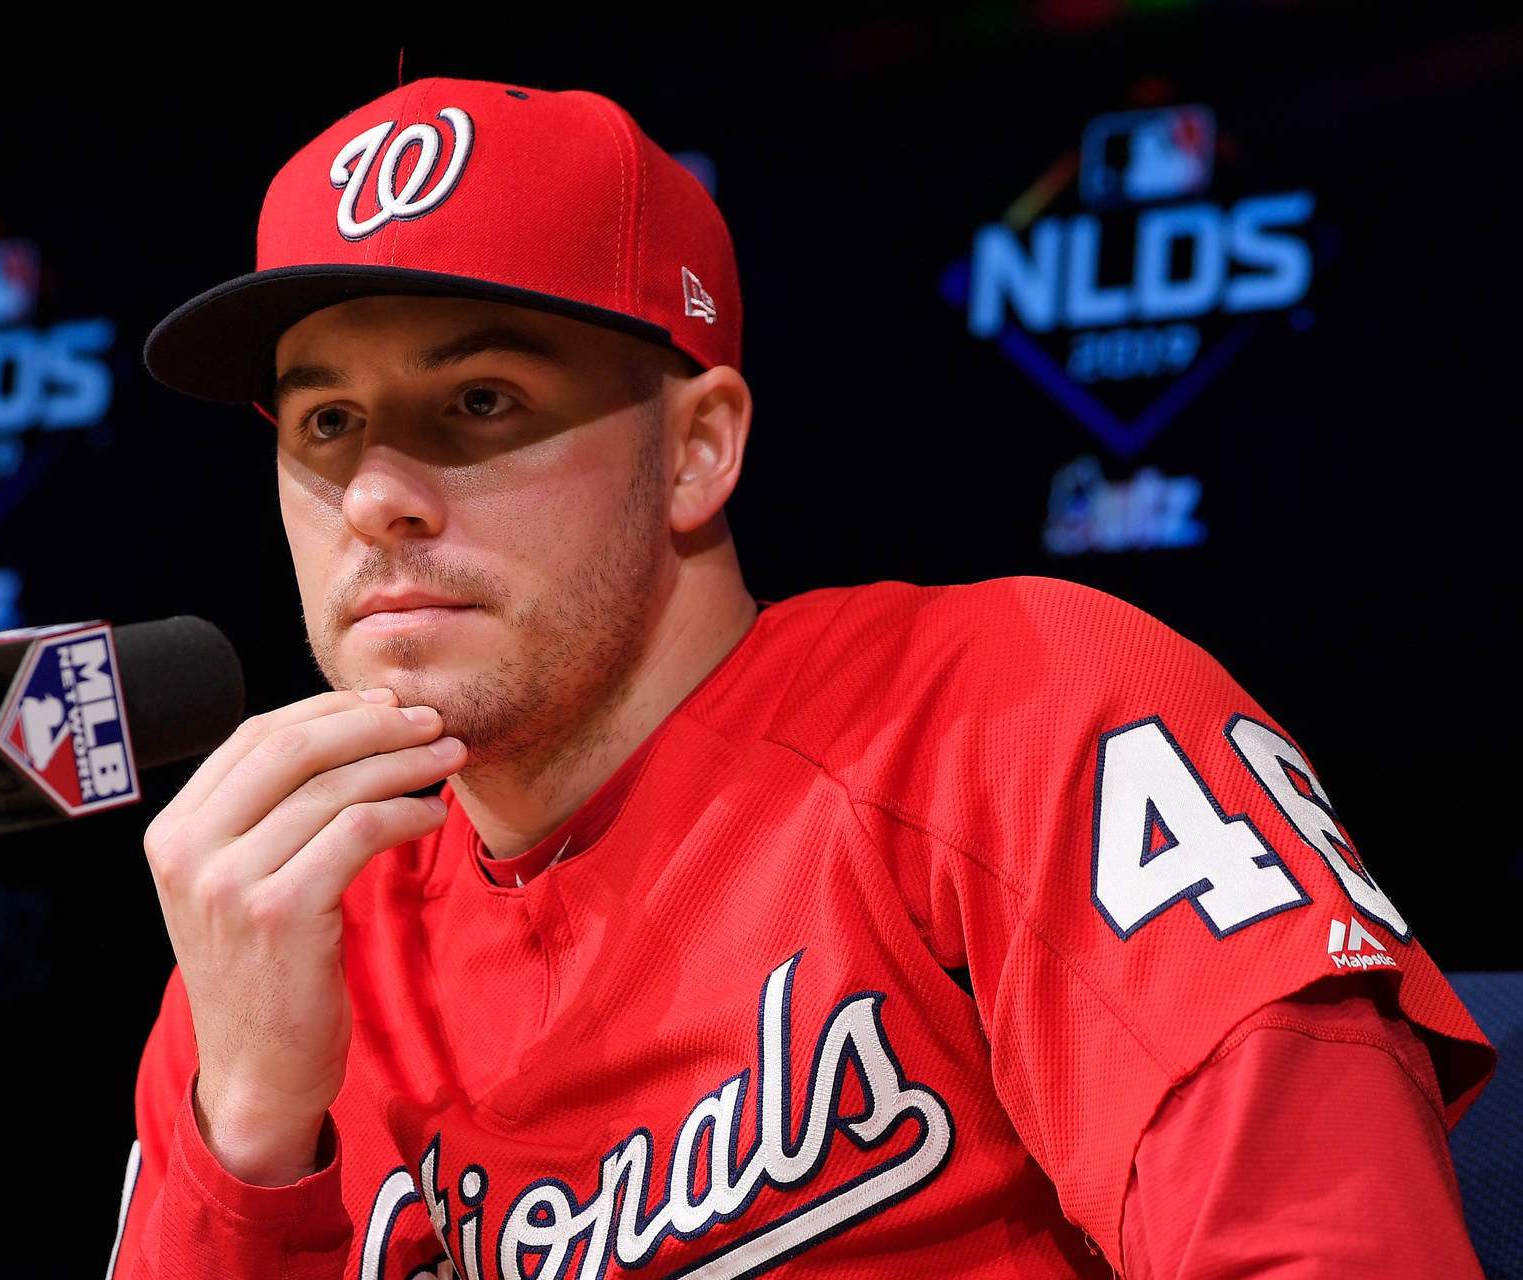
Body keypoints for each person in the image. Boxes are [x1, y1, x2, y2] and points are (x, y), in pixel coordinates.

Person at [111, 78, 1495, 1279]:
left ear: (701, 448)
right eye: (329, 421)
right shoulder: (275, 912)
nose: (379, 498)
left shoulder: (1014, 711)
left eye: (482, 400)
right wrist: (248, 1138)